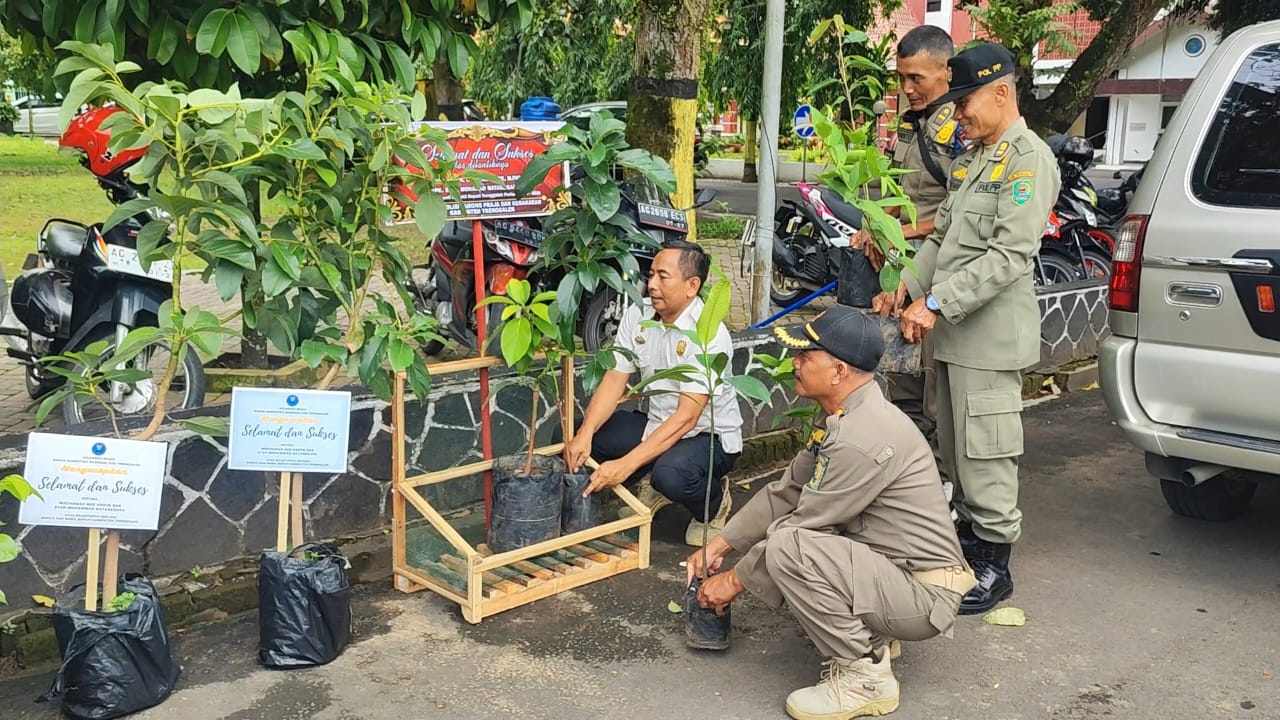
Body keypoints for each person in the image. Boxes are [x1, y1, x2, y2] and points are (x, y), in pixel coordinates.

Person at [685, 306, 974, 720]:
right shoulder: (846, 417)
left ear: (838, 371)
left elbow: (802, 527)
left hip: (924, 596)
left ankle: (866, 679)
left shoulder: (861, 436)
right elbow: (785, 493)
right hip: (898, 572)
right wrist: (721, 543)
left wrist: (731, 582)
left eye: (805, 356)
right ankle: (874, 633)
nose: (794, 363)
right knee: (796, 542)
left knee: (791, 548)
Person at [881, 43, 1060, 615]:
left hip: (988, 339)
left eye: (966, 104)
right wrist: (908, 283)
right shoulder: (977, 160)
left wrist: (934, 301)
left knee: (986, 453)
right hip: (954, 338)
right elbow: (943, 238)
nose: (958, 116)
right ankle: (968, 545)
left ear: (1001, 92)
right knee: (956, 450)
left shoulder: (1028, 161)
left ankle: (994, 566)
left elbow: (1010, 257)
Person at [564, 239, 743, 547]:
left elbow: (687, 418)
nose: (651, 284)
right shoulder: (638, 315)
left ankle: (714, 504)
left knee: (672, 475)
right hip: (656, 426)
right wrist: (585, 432)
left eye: (663, 276)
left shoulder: (708, 334)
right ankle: (645, 487)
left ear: (692, 286)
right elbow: (614, 379)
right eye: (650, 275)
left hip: (708, 437)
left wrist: (626, 465)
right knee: (570, 436)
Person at [861, 24, 963, 484]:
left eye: (917, 78)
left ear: (946, 71)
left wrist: (900, 230)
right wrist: (872, 224)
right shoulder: (910, 124)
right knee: (899, 377)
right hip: (898, 272)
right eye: (901, 78)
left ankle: (942, 487)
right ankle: (906, 481)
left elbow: (959, 208)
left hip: (935, 271)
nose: (907, 88)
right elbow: (896, 187)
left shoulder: (961, 128)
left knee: (934, 389)